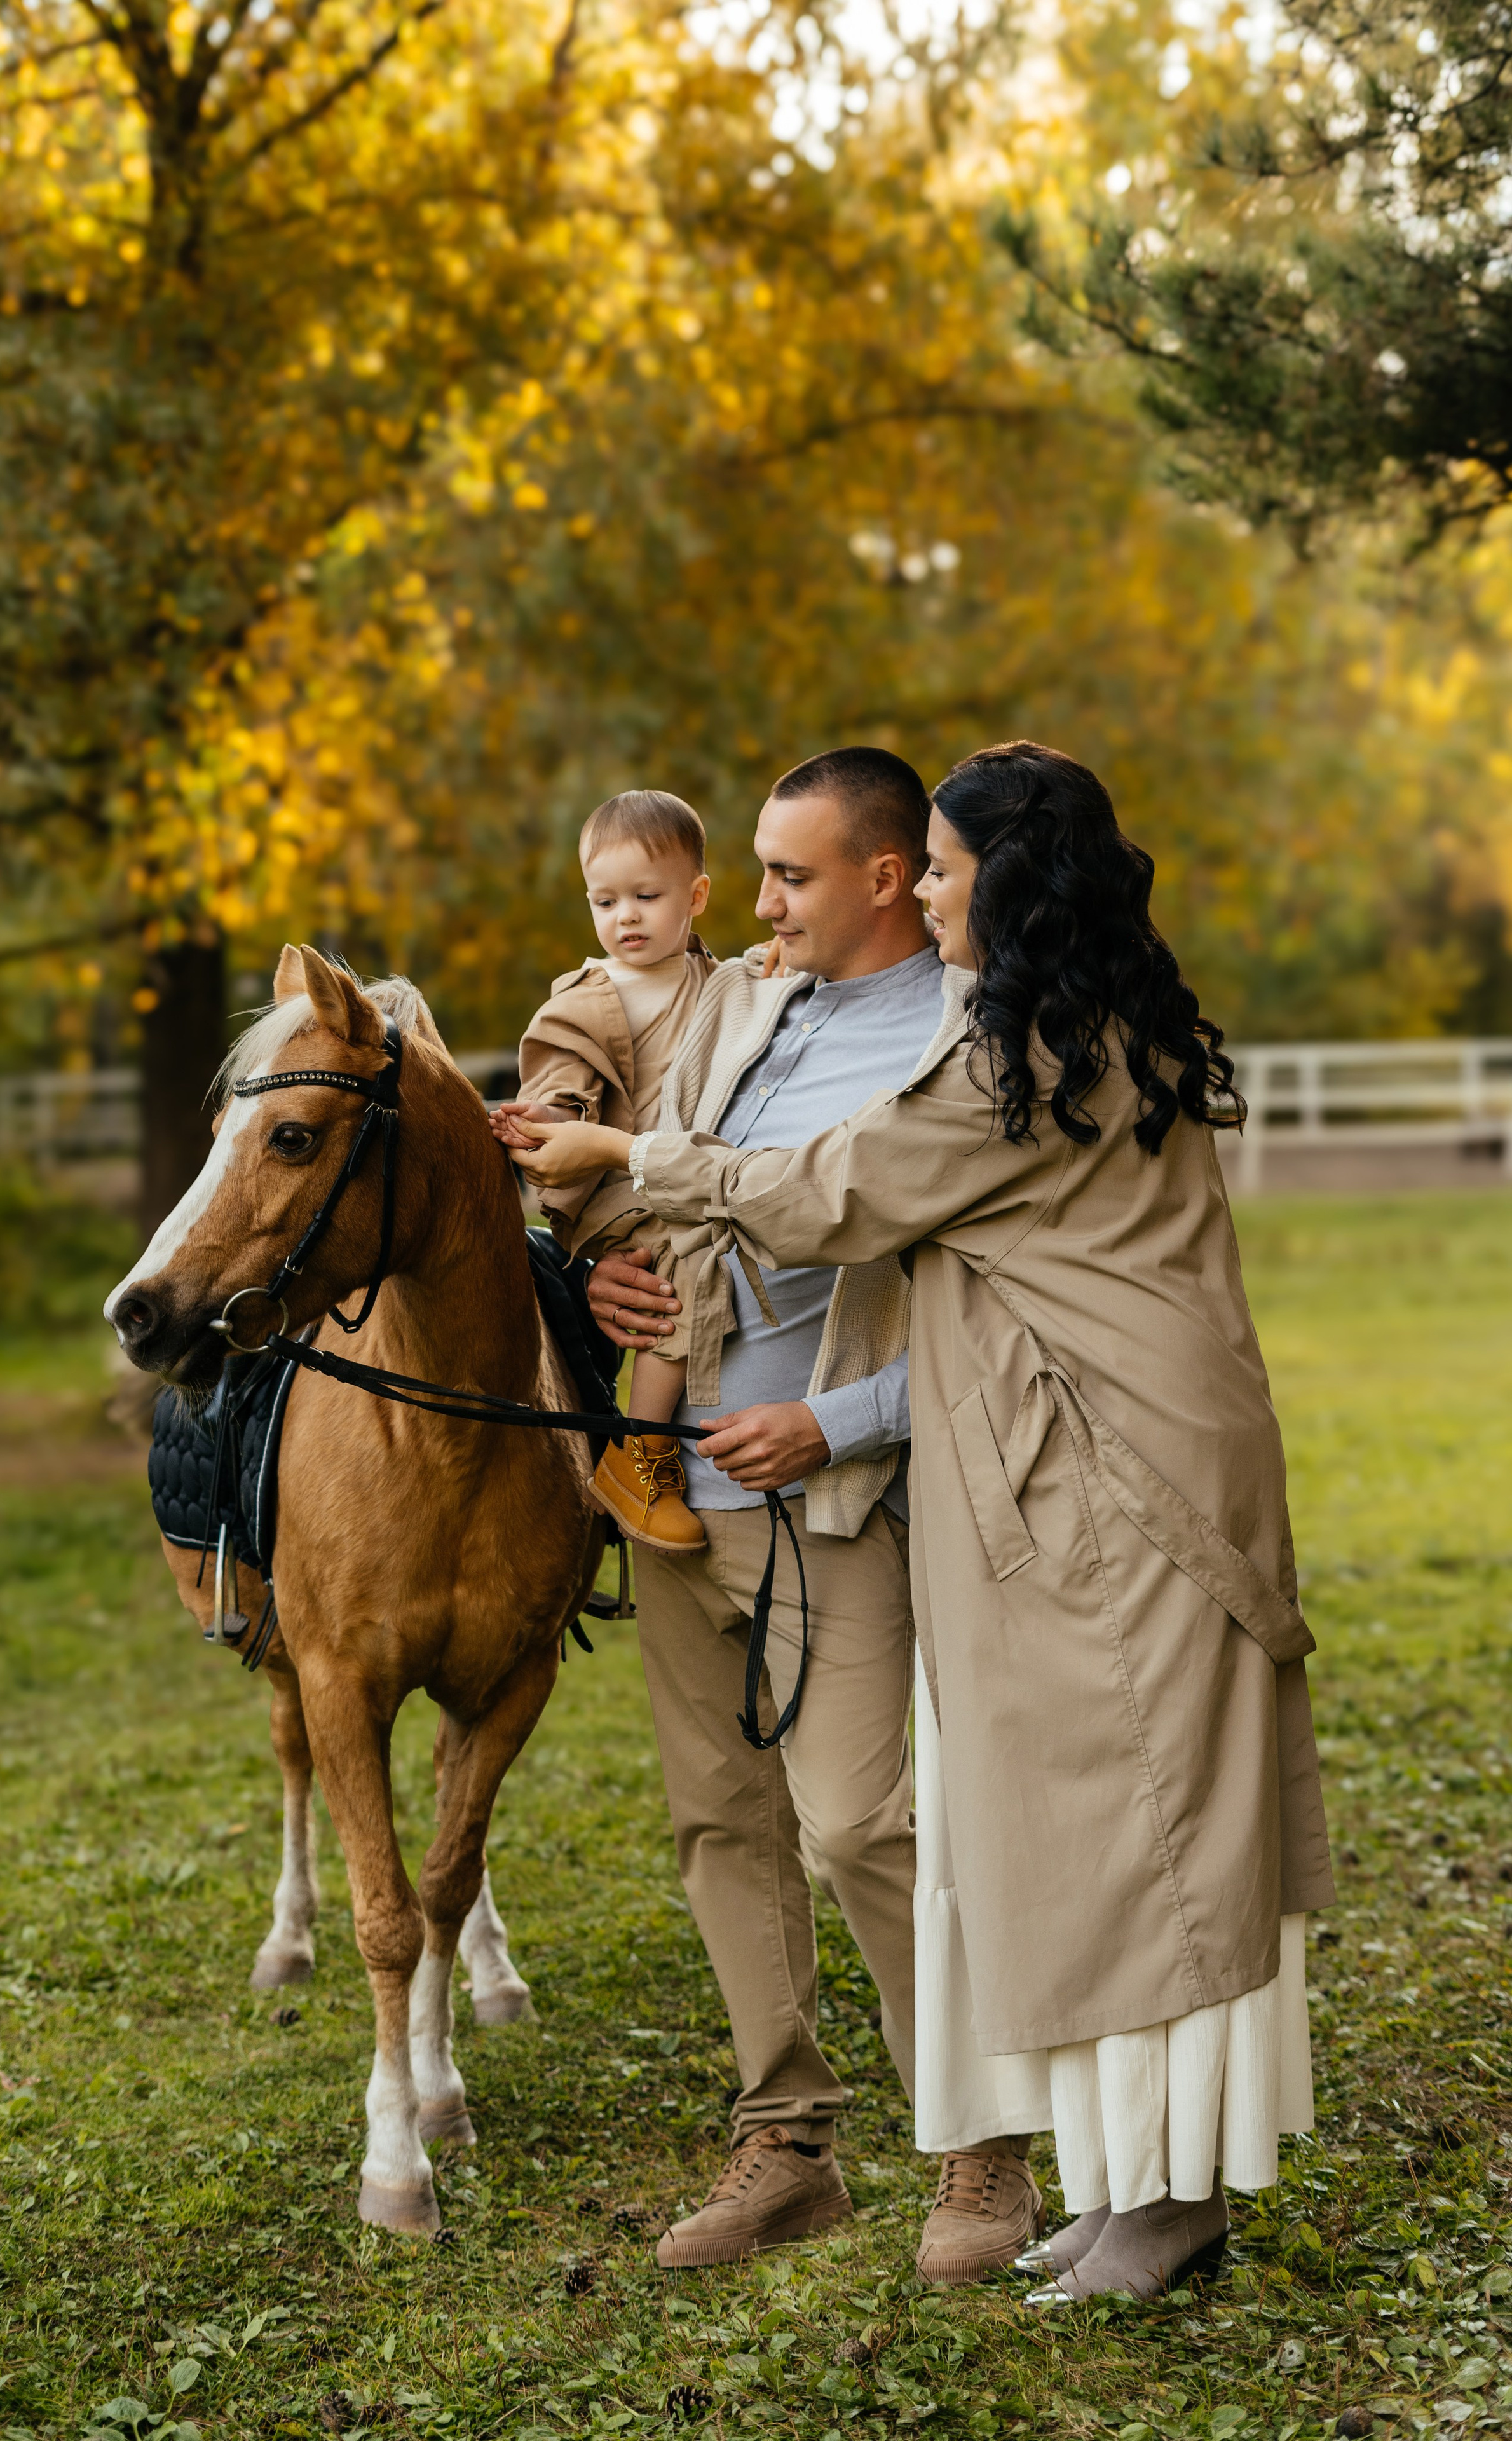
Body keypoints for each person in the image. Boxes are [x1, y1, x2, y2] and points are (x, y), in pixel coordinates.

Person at [510, 739, 1336, 2302]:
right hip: (1064, 1467)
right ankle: (1121, 2184)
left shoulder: (1014, 1055)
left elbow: (832, 1190)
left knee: (1142, 1831)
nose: (927, 891)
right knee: (1090, 1835)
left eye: (944, 868)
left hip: (1116, 1480)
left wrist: (626, 1154)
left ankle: (1154, 2200)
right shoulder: (1053, 1029)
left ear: (988, 883)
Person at [564, 746, 1044, 2281]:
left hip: (828, 1495)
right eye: (758, 872)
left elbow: (998, 1325)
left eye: (787, 874)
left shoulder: (970, 1039)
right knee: (721, 1820)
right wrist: (603, 1277)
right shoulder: (750, 1004)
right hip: (675, 1486)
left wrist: (828, 1418)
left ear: (885, 876)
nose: (757, 905)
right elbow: (660, 1188)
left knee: (855, 1821)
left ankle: (977, 2143)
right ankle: (786, 2138)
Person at [491, 788, 719, 1552]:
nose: (625, 917)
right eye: (604, 900)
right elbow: (561, 1087)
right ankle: (640, 1447)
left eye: (646, 897)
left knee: (705, 1236)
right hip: (616, 1193)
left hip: (680, 1176)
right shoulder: (586, 1004)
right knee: (684, 1270)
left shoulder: (720, 983)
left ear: (696, 896)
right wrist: (553, 1120)